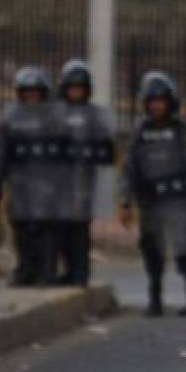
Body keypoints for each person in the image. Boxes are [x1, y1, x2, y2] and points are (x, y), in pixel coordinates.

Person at [120, 72, 186, 317]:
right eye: (152, 100)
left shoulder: (184, 130)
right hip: (154, 203)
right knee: (153, 253)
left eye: (160, 100)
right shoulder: (140, 133)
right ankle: (155, 300)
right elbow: (129, 168)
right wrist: (125, 201)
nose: (156, 105)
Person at [0, 67, 64, 287]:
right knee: (22, 227)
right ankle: (25, 270)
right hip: (21, 181)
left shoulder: (55, 116)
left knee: (47, 228)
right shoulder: (12, 117)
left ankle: (47, 271)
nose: (31, 96)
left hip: (49, 182)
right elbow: (2, 149)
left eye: (35, 92)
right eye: (27, 92)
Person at [55, 59, 115, 286]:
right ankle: (68, 271)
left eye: (80, 88)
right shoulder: (55, 113)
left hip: (83, 181)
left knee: (80, 231)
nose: (76, 92)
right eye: (72, 88)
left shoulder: (96, 116)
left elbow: (107, 150)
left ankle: (81, 273)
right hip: (59, 183)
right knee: (61, 232)